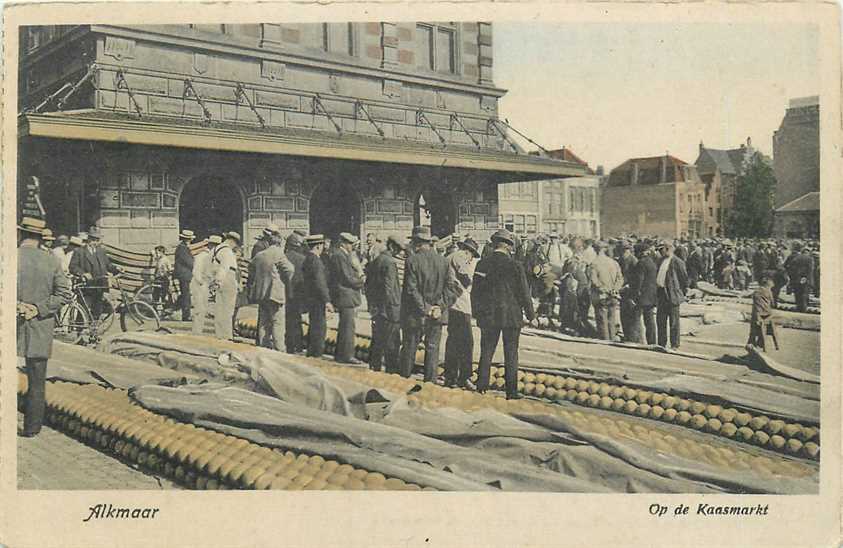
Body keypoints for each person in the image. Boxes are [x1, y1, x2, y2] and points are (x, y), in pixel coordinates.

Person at [17, 217, 70, 437]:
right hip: (40, 326)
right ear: (41, 238)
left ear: (20, 234)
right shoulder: (51, 261)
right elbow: (63, 294)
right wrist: (37, 308)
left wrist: (17, 305)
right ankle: (31, 429)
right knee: (37, 381)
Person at [472, 229, 535, 399]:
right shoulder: (515, 265)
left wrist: (476, 313)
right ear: (508, 246)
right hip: (511, 316)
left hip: (488, 315)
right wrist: (531, 314)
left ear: (494, 244)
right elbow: (523, 292)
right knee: (511, 353)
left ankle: (481, 387)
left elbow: (476, 292)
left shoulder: (482, 264)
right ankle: (511, 392)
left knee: (486, 351)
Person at [398, 226, 458, 381]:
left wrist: (426, 308)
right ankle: (430, 383)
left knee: (409, 347)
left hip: (415, 313)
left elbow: (411, 290)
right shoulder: (443, 261)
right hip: (437, 314)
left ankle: (403, 381)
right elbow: (451, 288)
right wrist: (439, 307)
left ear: (416, 243)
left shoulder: (412, 261)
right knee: (432, 349)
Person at [249, 230, 295, 350]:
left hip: (261, 293)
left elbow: (251, 268)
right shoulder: (278, 254)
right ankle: (279, 348)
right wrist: (284, 280)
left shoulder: (259, 255)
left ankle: (263, 345)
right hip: (275, 293)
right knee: (277, 321)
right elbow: (290, 269)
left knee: (263, 321)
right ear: (279, 242)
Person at [443, 237, 480, 388]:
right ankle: (463, 377)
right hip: (459, 304)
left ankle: (451, 377)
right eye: (472, 255)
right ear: (468, 250)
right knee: (466, 342)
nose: (471, 258)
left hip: (456, 303)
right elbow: (466, 278)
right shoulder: (459, 256)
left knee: (454, 341)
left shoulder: (452, 256)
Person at [365, 235, 404, 373]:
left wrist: (373, 306)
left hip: (378, 309)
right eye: (398, 249)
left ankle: (374, 368)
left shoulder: (376, 261)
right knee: (392, 343)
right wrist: (387, 307)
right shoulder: (389, 262)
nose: (398, 252)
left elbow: (368, 285)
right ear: (392, 247)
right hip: (390, 310)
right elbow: (389, 288)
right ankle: (391, 372)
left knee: (378, 341)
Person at [327, 233, 365, 364]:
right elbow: (347, 277)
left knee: (346, 326)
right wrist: (361, 281)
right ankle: (346, 355)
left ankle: (341, 354)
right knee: (348, 327)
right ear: (343, 243)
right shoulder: (339, 256)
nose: (352, 247)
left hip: (345, 295)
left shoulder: (342, 255)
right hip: (345, 295)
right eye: (350, 244)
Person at [68, 225, 121, 320]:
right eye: (93, 240)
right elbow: (72, 267)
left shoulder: (101, 251)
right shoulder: (79, 252)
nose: (95, 242)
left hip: (100, 285)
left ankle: (94, 330)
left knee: (97, 310)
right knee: (84, 310)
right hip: (87, 286)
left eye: (97, 240)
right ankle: (79, 331)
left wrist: (117, 269)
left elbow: (108, 265)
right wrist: (83, 273)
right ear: (88, 239)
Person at [302, 234, 333, 358]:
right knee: (320, 327)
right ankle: (316, 354)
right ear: (318, 246)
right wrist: (327, 301)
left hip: (310, 298)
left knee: (313, 325)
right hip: (318, 299)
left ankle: (311, 352)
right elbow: (320, 283)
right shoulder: (316, 261)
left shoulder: (307, 259)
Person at [588, 241, 624, 341]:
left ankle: (605, 343)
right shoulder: (614, 262)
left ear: (595, 250)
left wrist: (604, 289)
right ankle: (612, 341)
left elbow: (594, 280)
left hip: (601, 296)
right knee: (611, 321)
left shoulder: (594, 264)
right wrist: (614, 289)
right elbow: (620, 279)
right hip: (613, 296)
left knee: (601, 321)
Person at [655, 242, 688, 349]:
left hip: (672, 295)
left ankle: (674, 344)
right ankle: (661, 343)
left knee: (674, 322)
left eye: (662, 249)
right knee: (661, 320)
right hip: (661, 294)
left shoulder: (677, 262)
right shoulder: (660, 261)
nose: (660, 252)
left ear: (668, 249)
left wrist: (679, 292)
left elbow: (684, 279)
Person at [212, 231, 241, 341]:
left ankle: (220, 335)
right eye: (235, 243)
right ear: (232, 241)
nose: (235, 246)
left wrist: (215, 281)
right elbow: (224, 268)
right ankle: (226, 336)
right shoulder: (227, 252)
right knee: (228, 311)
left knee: (220, 309)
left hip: (222, 279)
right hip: (228, 279)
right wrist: (218, 281)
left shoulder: (217, 249)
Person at [190, 234, 220, 336]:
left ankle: (199, 330)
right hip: (199, 284)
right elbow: (196, 271)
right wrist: (201, 282)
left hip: (206, 284)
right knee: (199, 309)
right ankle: (196, 331)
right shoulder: (202, 256)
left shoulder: (212, 257)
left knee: (203, 308)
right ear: (211, 245)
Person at [284, 232, 307, 354]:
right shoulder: (303, 259)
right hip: (299, 292)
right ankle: (298, 345)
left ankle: (289, 345)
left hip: (286, 292)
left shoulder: (283, 257)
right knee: (297, 319)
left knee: (288, 319)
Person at [747, 275, 775, 349]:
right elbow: (773, 303)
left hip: (757, 314)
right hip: (767, 314)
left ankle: (752, 340)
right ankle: (760, 341)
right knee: (764, 325)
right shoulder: (769, 292)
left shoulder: (756, 291)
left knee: (754, 324)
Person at [786, 242, 815, 313]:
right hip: (806, 279)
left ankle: (798, 308)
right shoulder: (810, 259)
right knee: (804, 294)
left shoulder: (796, 258)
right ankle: (804, 309)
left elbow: (791, 268)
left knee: (797, 294)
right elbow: (810, 270)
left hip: (797, 279)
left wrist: (793, 277)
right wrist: (806, 278)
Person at [174, 229, 195, 322]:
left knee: (185, 294)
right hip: (184, 275)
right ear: (187, 239)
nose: (190, 241)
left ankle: (178, 309)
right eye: (189, 239)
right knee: (186, 295)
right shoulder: (182, 248)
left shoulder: (182, 247)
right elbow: (189, 262)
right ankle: (186, 316)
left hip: (184, 274)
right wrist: (197, 265)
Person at [151, 245, 173, 313]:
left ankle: (166, 310)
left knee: (164, 294)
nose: (157, 254)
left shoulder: (166, 260)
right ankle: (154, 310)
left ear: (162, 252)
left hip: (164, 279)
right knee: (155, 294)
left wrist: (166, 273)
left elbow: (170, 270)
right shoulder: (158, 259)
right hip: (157, 279)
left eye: (158, 252)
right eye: (156, 253)